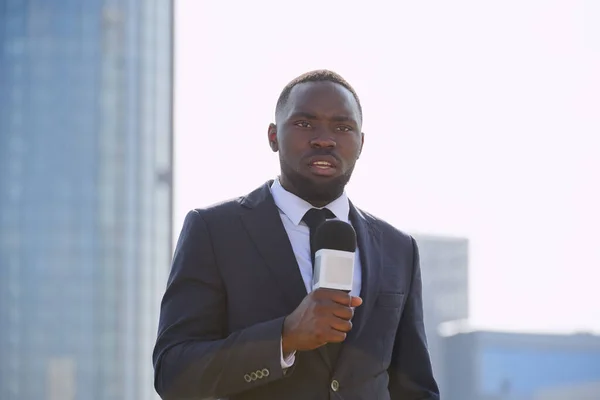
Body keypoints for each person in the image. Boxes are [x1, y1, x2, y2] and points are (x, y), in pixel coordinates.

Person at [152, 69, 440, 400]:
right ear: (273, 136)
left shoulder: (398, 249)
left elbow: (415, 388)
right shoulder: (214, 231)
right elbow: (173, 374)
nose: (324, 139)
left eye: (342, 127)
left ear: (361, 143)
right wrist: (284, 338)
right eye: (305, 124)